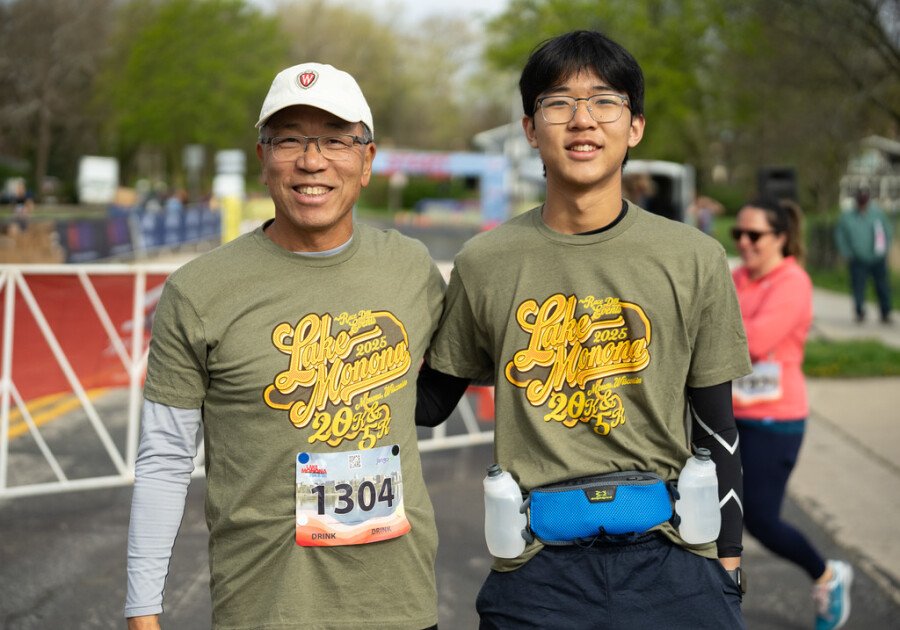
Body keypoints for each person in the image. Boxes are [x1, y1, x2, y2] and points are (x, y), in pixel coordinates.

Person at [419, 30, 751, 628]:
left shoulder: (693, 257)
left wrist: (728, 563)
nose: (582, 121)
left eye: (604, 101)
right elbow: (430, 400)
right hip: (536, 572)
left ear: (635, 126)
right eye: (558, 103)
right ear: (529, 129)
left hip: (674, 561)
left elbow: (716, 422)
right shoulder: (484, 262)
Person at [125, 63, 444, 630]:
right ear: (262, 158)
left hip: (401, 605)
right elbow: (164, 461)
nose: (312, 160)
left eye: (336, 140)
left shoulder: (411, 268)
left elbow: (482, 354)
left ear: (367, 161)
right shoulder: (199, 291)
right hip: (266, 607)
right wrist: (142, 611)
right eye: (289, 138)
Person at [731, 197, 853, 630]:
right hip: (729, 415)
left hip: (775, 421)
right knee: (706, 511)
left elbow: (755, 341)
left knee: (761, 519)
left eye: (754, 235)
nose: (744, 243)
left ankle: (827, 575)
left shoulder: (793, 281)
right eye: (737, 234)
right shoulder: (737, 277)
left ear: (780, 237)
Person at [834, 188, 893, 324]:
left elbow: (888, 231)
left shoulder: (877, 214)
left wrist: (885, 249)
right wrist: (847, 252)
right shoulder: (847, 216)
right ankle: (860, 311)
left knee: (882, 286)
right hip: (858, 258)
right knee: (858, 286)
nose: (862, 205)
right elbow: (840, 236)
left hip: (877, 258)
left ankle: (886, 312)